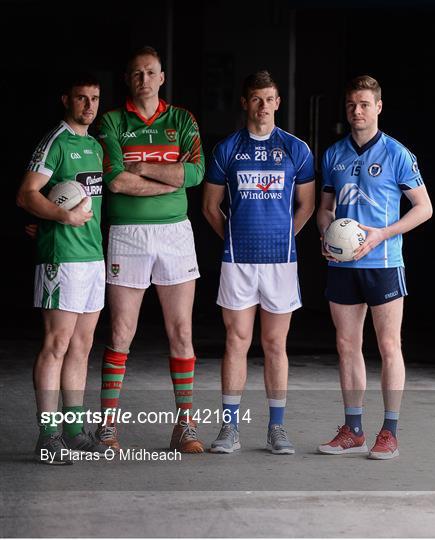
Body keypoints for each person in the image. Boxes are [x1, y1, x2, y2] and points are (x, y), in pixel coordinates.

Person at [95, 46, 205, 452]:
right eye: (136, 73)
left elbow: (195, 172)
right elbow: (115, 181)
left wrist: (141, 167)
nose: (144, 79)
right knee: (122, 331)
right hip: (127, 233)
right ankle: (107, 426)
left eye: (151, 72)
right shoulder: (111, 120)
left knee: (182, 331)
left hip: (175, 233)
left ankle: (185, 426)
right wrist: (168, 178)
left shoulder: (181, 119)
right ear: (128, 79)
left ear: (162, 77)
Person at [317, 75, 433, 459]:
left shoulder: (397, 154)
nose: (357, 111)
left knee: (388, 345)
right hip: (343, 265)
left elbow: (424, 208)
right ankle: (352, 430)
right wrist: (325, 235)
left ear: (378, 107)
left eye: (365, 104)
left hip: (383, 262)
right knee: (347, 345)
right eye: (352, 105)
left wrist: (383, 234)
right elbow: (325, 210)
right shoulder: (334, 154)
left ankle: (390, 432)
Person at [202, 70, 315, 454]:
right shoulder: (227, 149)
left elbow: (307, 204)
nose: (263, 106)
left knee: (274, 343)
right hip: (238, 262)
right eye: (256, 99)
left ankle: (277, 429)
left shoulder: (296, 149)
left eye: (269, 99)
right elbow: (210, 206)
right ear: (245, 102)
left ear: (278, 102)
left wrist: (282, 240)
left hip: (281, 263)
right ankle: (229, 430)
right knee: (235, 341)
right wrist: (235, 240)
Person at [16, 73, 108, 464]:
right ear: (66, 100)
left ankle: (73, 430)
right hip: (62, 258)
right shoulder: (56, 141)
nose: (89, 105)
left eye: (95, 99)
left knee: (82, 346)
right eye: (81, 98)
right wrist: (60, 217)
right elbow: (26, 194)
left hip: (93, 258)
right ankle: (48, 434)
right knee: (56, 344)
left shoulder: (95, 146)